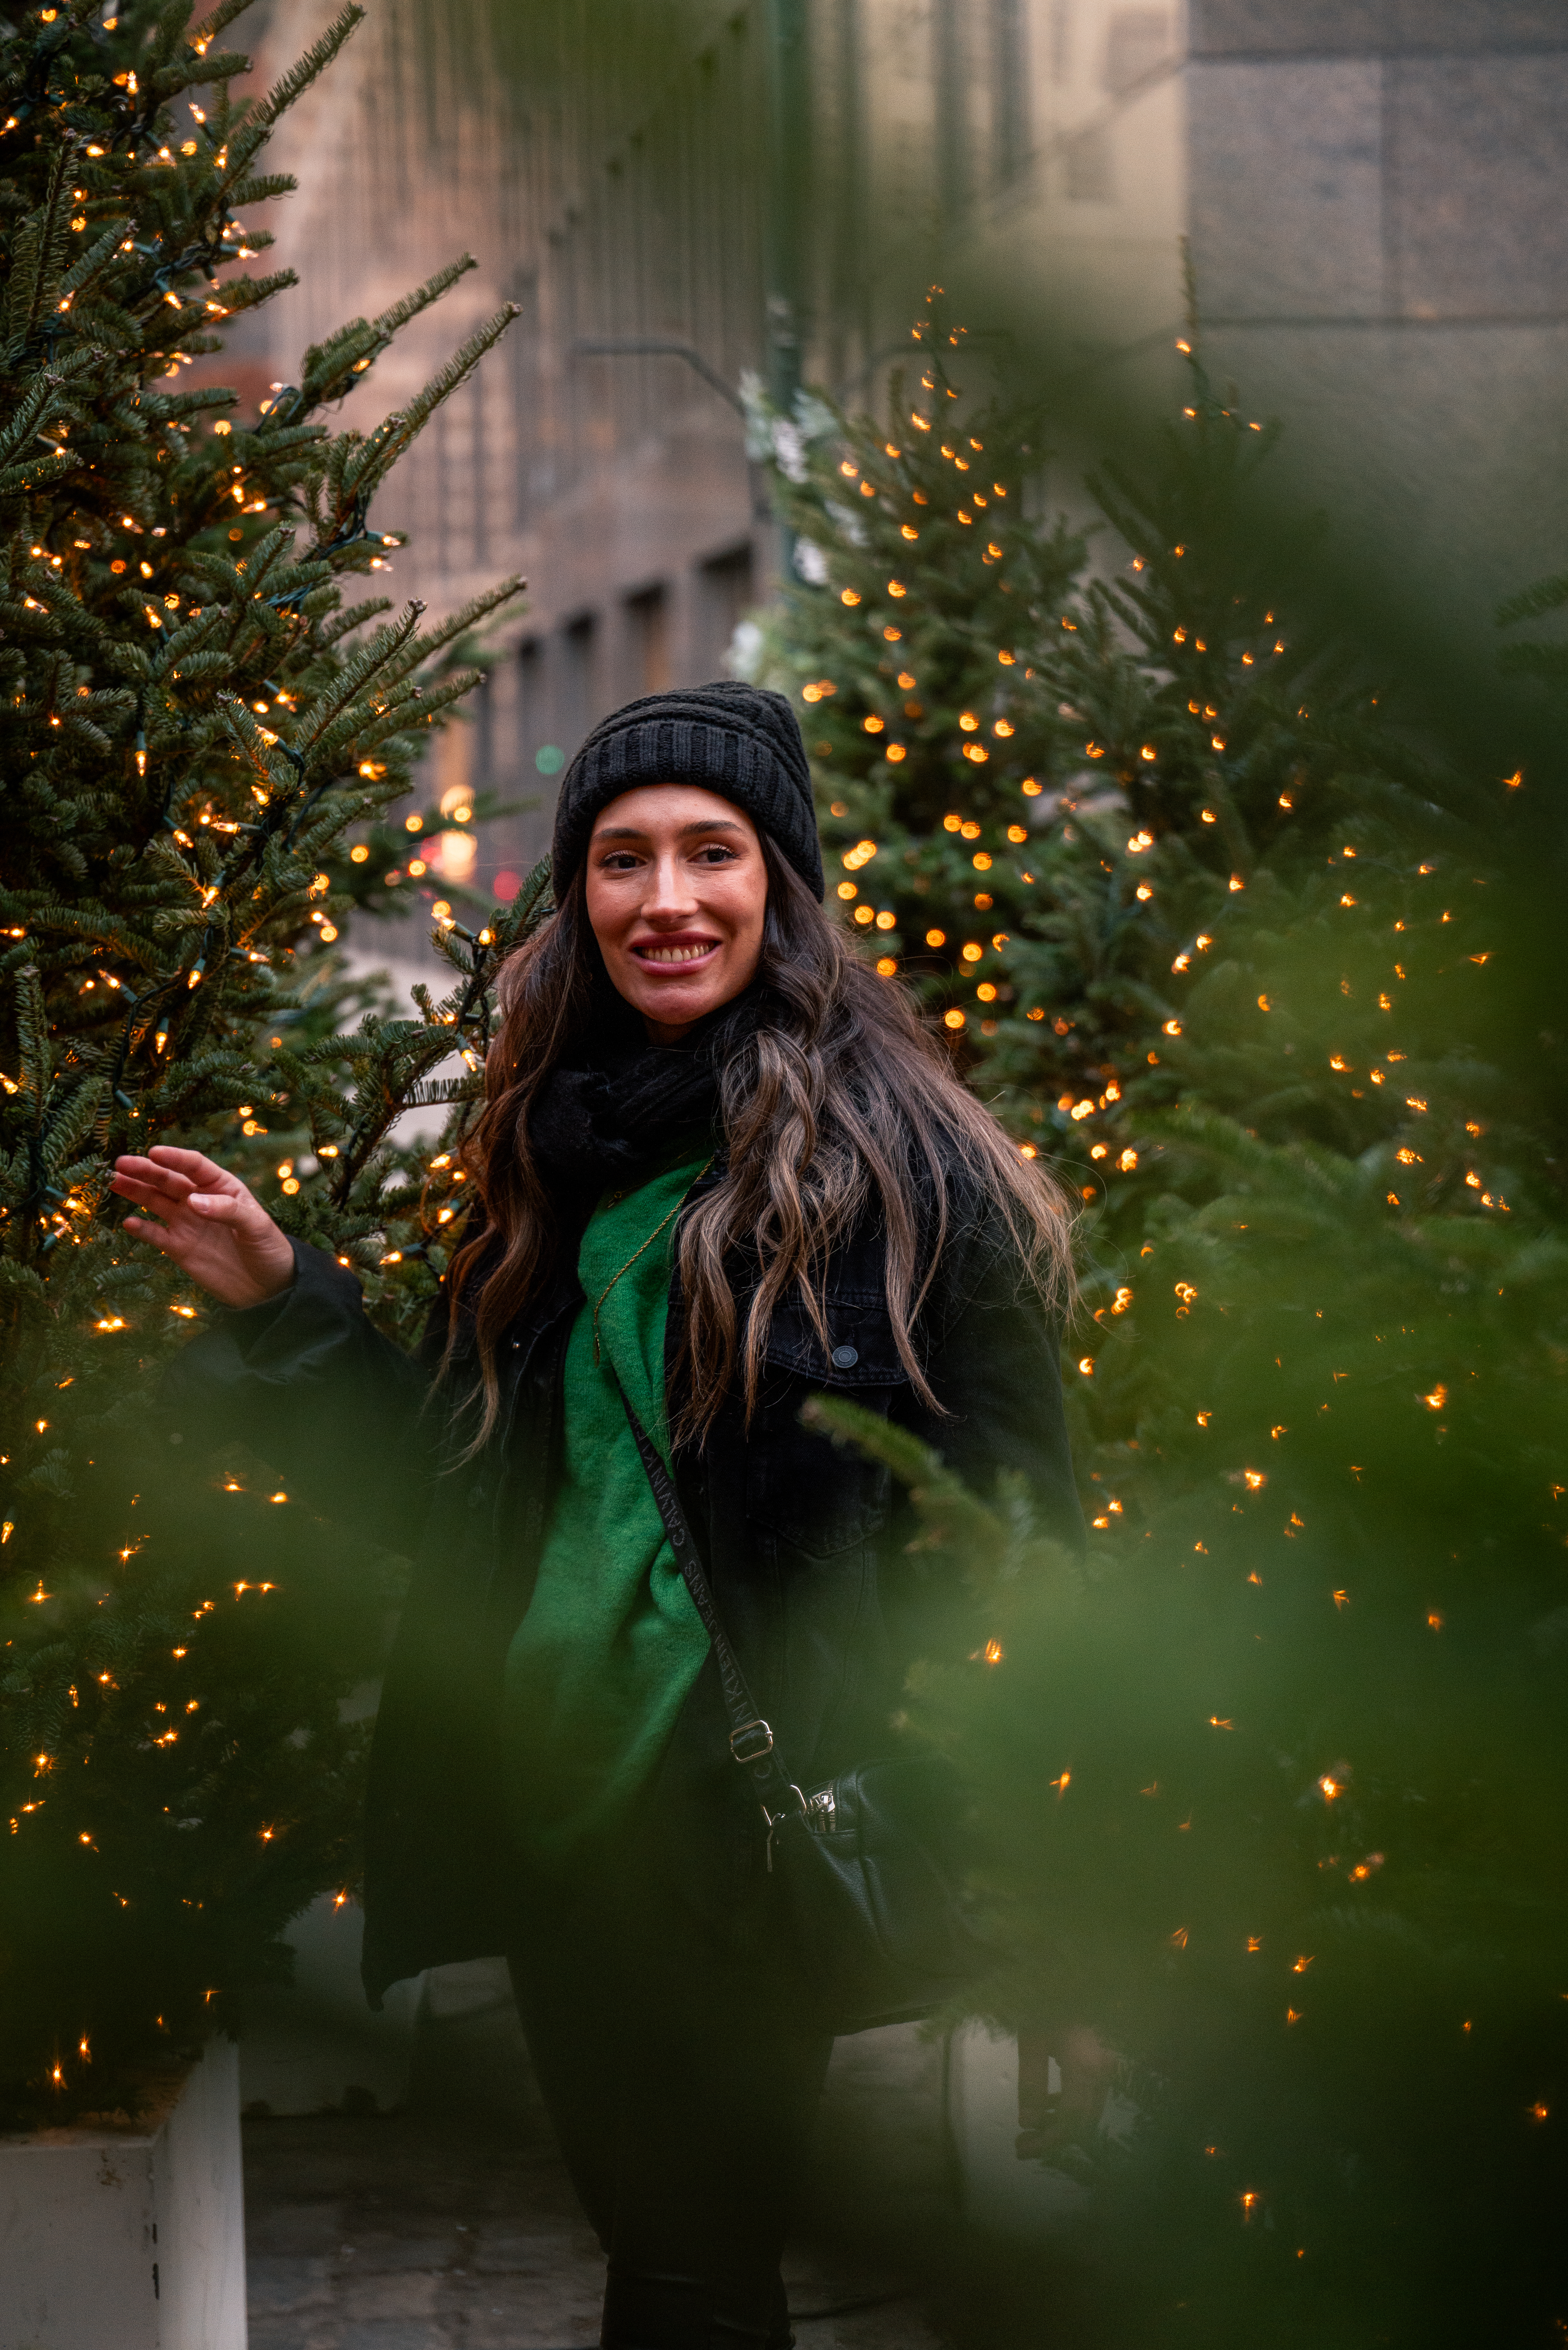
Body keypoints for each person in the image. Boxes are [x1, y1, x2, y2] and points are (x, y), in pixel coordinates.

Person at [113, 681, 1082, 2350]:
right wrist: (285, 1300)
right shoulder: (558, 1153)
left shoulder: (913, 1173)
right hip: (557, 1816)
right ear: (579, 901)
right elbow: (456, 1486)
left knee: (695, 2262)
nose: (667, 900)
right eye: (621, 861)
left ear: (781, 881)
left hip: (739, 1827)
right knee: (662, 2246)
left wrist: (917, 1759)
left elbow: (1023, 1520)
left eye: (713, 852)